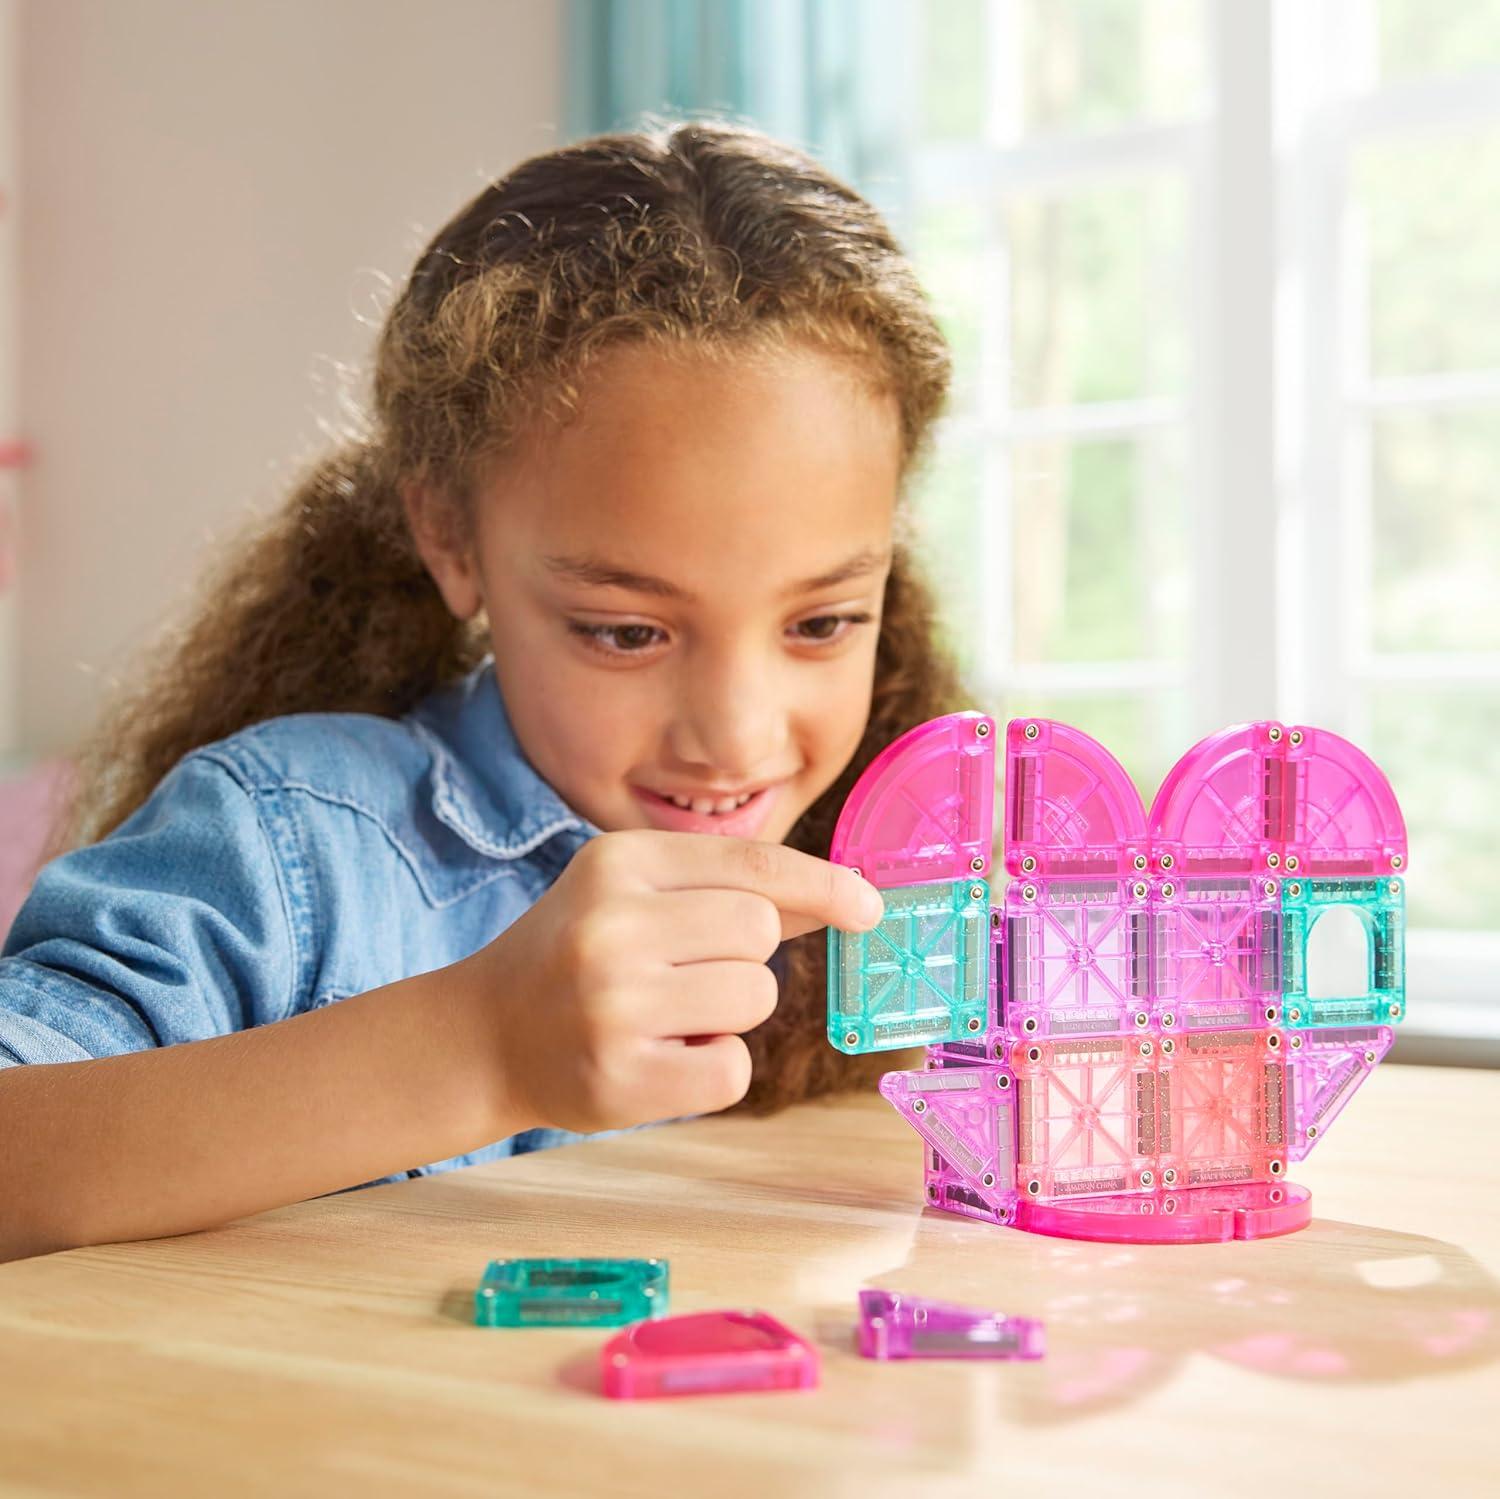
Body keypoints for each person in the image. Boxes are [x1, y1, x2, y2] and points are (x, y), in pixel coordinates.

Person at [0, 121, 964, 1262]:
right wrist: (480, 1047)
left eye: (822, 622)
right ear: (452, 538)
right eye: (627, 631)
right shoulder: (290, 847)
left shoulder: (899, 877)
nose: (738, 736)